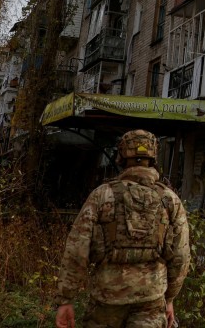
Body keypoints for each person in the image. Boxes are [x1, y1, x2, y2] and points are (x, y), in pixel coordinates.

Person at [54, 129, 190, 328]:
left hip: (106, 301)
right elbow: (181, 255)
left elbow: (77, 250)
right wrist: (169, 298)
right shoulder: (170, 200)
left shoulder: (102, 195)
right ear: (153, 158)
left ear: (121, 157)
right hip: (151, 300)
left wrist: (66, 299)